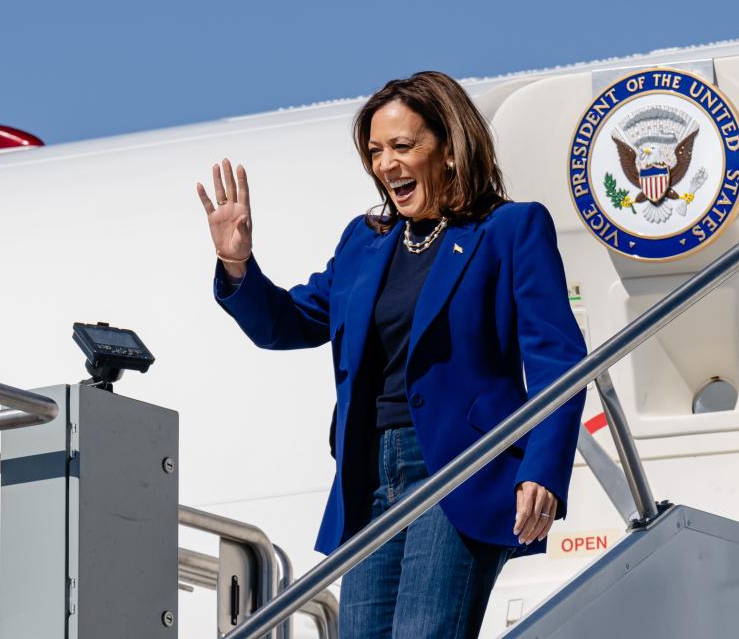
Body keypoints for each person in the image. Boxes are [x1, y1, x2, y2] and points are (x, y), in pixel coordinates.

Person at [196, 71, 586, 638]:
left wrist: (542, 468)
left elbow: (558, 359)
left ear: (449, 150)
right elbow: (286, 323)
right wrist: (237, 264)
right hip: (368, 476)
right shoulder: (365, 241)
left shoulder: (509, 229)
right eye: (376, 151)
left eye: (403, 147)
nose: (386, 164)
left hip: (460, 466)